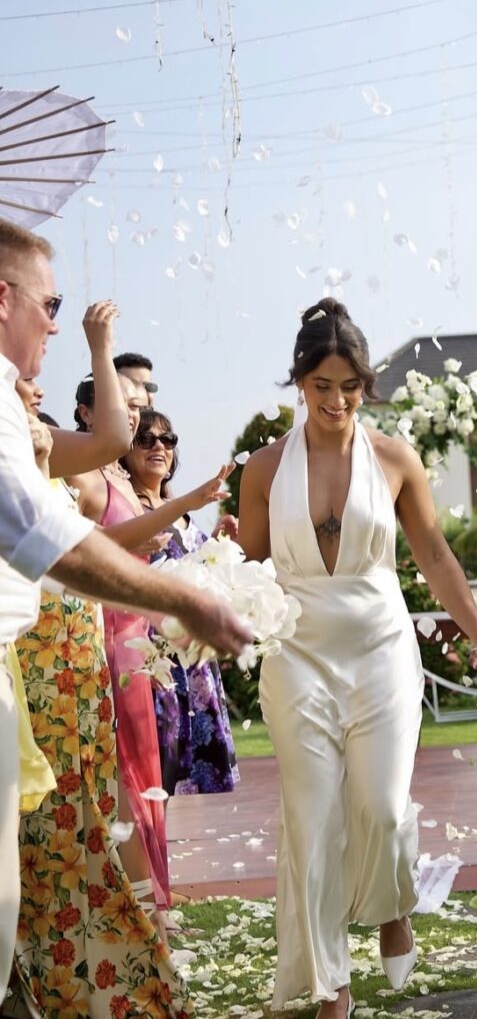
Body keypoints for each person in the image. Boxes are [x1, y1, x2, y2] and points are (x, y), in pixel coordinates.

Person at [237, 298, 477, 1019]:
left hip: (380, 650)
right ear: (299, 382)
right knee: (311, 816)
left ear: (366, 383)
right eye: (321, 385)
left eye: (350, 386)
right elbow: (249, 569)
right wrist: (216, 584)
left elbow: (435, 554)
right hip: (296, 654)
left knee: (384, 808)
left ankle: (394, 903)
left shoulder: (394, 458)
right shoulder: (265, 469)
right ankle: (334, 988)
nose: (335, 401)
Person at [0, 217, 249, 1003]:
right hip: (45, 651)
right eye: (49, 302)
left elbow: (111, 435)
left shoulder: (15, 414)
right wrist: (181, 594)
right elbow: (46, 533)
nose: (54, 321)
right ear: (2, 298)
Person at [12, 358, 192, 1016]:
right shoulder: (26, 481)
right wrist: (99, 340)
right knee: (50, 824)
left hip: (81, 671)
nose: (30, 385)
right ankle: (47, 976)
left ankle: (92, 969)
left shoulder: (54, 471)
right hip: (40, 668)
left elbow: (115, 438)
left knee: (91, 815)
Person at [68, 378, 234, 937]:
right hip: (115, 638)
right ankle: (142, 904)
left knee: (151, 777)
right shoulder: (91, 482)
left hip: (158, 646)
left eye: (160, 429)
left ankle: (154, 899)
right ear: (89, 415)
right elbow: (87, 550)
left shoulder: (127, 485)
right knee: (129, 776)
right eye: (134, 418)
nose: (146, 433)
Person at [123, 407, 241, 796]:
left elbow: (197, 568)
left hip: (192, 662)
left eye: (168, 439)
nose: (159, 445)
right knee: (156, 774)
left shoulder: (183, 513)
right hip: (154, 657)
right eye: (146, 438)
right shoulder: (131, 508)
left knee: (179, 783)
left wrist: (221, 544)